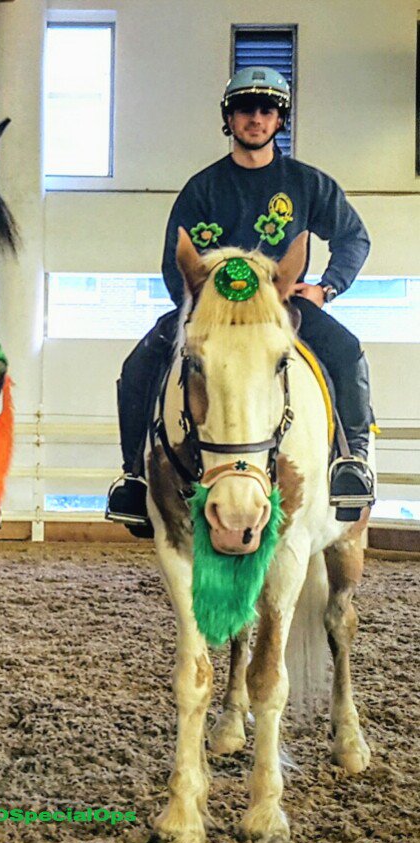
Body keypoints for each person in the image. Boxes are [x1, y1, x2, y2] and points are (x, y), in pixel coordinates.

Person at [106, 65, 375, 537]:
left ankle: (351, 464)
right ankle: (134, 476)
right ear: (228, 119)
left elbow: (354, 238)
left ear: (280, 120)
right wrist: (198, 311)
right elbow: (175, 262)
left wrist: (325, 287)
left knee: (347, 352)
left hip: (281, 310)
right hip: (212, 315)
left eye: (267, 110)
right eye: (245, 109)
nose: (256, 118)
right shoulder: (202, 188)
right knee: (138, 366)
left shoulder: (308, 184)